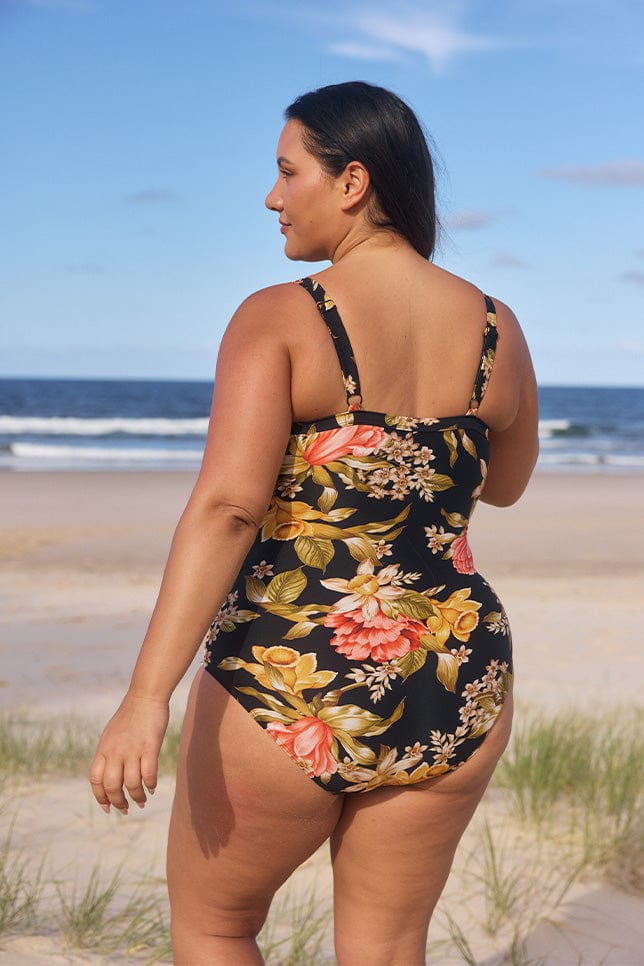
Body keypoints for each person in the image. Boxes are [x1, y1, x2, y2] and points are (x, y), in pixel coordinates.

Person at [90, 81, 539, 965]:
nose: (271, 196)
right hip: (453, 670)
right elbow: (508, 483)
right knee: (387, 943)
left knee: (217, 929)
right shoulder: (496, 327)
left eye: (287, 171)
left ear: (352, 182)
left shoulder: (282, 317)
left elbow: (226, 508)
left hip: (292, 671)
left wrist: (146, 699)